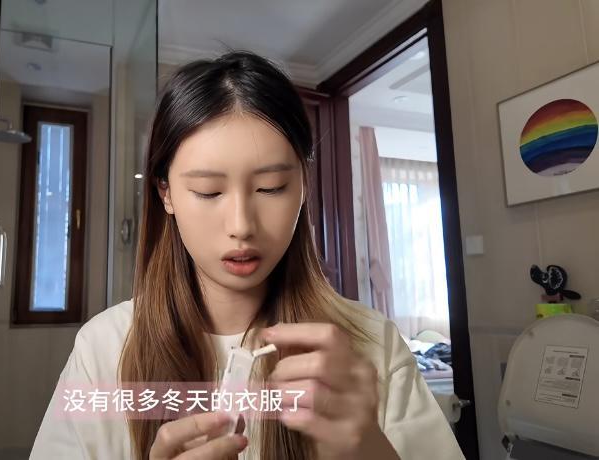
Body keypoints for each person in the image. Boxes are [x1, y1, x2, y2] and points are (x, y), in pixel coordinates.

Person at [30, 51, 464, 460]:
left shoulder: (372, 344)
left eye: (271, 188)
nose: (241, 225)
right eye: (208, 191)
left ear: (303, 185)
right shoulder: (105, 347)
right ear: (166, 193)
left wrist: (369, 448)